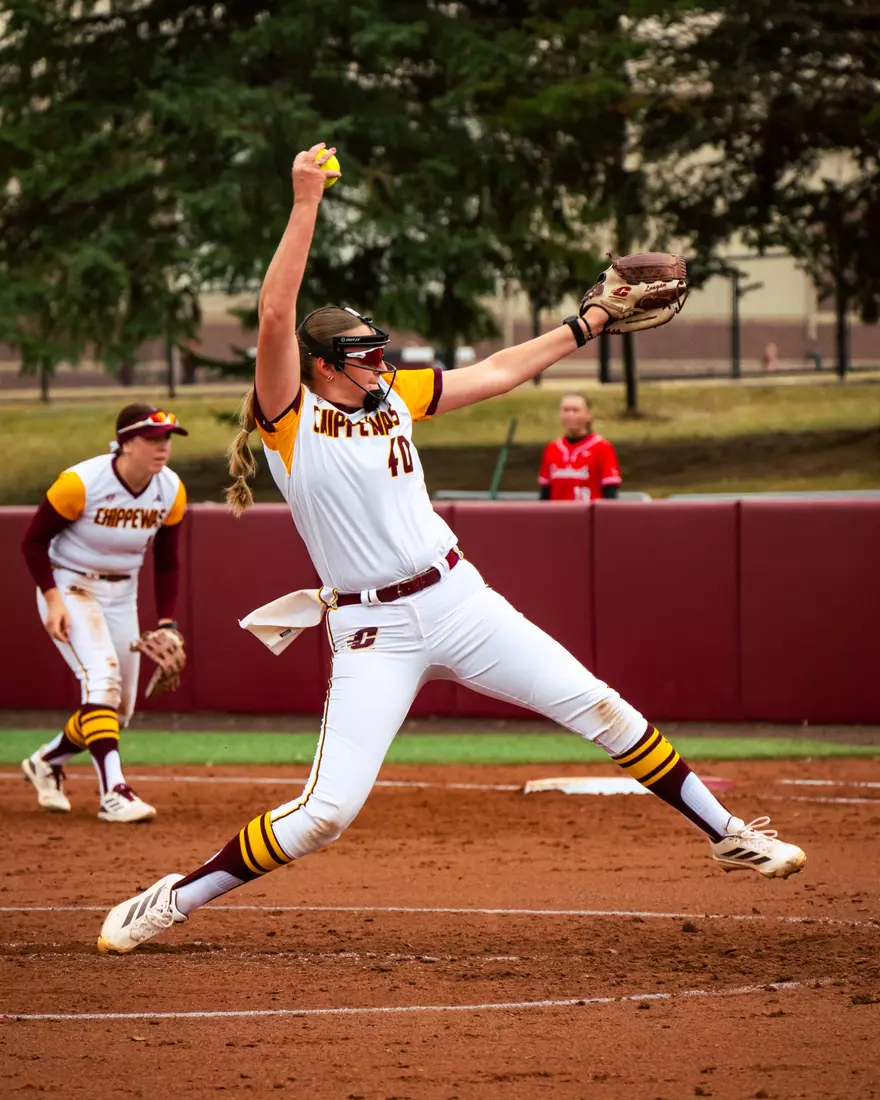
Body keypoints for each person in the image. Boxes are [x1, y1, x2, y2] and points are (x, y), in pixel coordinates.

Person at [98, 144, 804, 953]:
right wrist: (305, 203)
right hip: (373, 629)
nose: (380, 361)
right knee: (326, 813)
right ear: (321, 365)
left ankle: (726, 834)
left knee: (600, 705)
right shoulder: (289, 415)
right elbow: (270, 316)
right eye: (362, 353)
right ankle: (177, 898)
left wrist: (591, 321)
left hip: (459, 598)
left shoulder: (396, 395)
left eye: (378, 349)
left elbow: (499, 370)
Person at [21, 405, 188, 823]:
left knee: (118, 709)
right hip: (71, 583)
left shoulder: (170, 489)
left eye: (167, 438)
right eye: (152, 439)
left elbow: (167, 562)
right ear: (126, 442)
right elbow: (33, 542)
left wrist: (166, 621)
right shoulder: (82, 483)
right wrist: (53, 598)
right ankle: (115, 791)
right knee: (102, 678)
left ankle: (46, 761)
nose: (162, 447)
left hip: (121, 594)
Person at [539, 393, 622, 501]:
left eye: (575, 410)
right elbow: (545, 493)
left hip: (588, 515)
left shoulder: (602, 448)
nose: (570, 415)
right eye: (566, 410)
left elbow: (610, 493)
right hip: (557, 515)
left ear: (588, 414)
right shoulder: (552, 448)